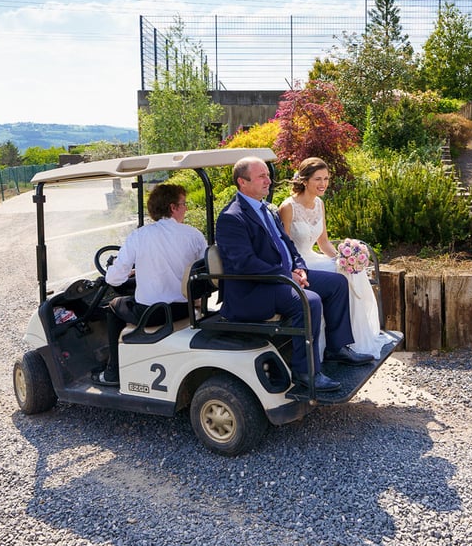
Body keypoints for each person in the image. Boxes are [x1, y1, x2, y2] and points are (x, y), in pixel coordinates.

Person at [215, 156, 371, 392]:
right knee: (309, 301)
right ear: (242, 182)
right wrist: (287, 274)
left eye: (268, 175)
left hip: (278, 279)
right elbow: (245, 263)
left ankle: (336, 348)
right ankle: (305, 372)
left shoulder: (266, 208)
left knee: (337, 283)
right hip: (254, 289)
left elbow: (288, 244)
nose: (268, 180)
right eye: (261, 176)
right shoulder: (232, 217)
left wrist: (299, 267)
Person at [279, 157, 393, 358]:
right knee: (342, 277)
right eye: (318, 179)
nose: (323, 184)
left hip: (314, 257)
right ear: (304, 180)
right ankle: (339, 346)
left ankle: (355, 339)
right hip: (300, 264)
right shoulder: (288, 207)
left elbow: (323, 243)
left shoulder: (319, 204)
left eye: (326, 178)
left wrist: (344, 259)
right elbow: (285, 248)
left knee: (351, 271)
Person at [96, 183, 207, 387]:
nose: (186, 208)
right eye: (184, 204)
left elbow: (114, 279)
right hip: (184, 309)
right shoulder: (194, 235)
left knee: (112, 307)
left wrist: (121, 271)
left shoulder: (140, 236)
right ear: (173, 207)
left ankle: (113, 371)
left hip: (153, 314)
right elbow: (202, 271)